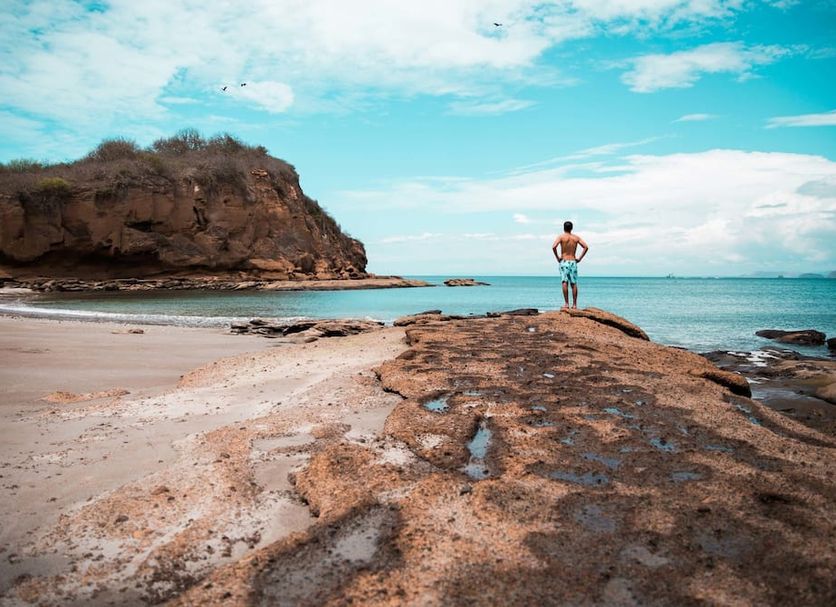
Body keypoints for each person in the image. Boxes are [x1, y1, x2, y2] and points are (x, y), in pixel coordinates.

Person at [551, 221, 589, 310]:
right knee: (574, 283)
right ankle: (575, 305)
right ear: (571, 228)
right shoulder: (575, 238)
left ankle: (567, 304)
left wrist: (557, 257)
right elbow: (586, 247)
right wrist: (579, 258)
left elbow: (553, 247)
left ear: (564, 228)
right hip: (573, 261)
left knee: (564, 282)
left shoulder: (561, 237)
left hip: (564, 261)